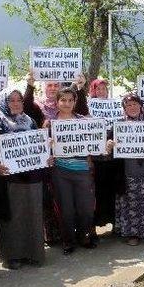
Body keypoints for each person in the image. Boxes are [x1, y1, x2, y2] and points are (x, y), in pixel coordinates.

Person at [0, 88, 46, 269]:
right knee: (12, 217)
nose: (15, 103)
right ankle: (12, 256)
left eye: (19, 100)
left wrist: (46, 155)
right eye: (11, 100)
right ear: (4, 102)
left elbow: (38, 146)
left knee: (33, 214)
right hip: (9, 179)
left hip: (32, 178)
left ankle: (33, 253)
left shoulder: (30, 121)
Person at [108, 93, 144, 246]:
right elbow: (107, 145)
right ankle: (132, 234)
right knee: (130, 202)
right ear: (124, 109)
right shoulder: (118, 125)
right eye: (128, 105)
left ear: (140, 106)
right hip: (128, 172)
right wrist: (110, 144)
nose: (132, 107)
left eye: (134, 104)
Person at [49, 88, 96, 253]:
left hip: (82, 170)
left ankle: (84, 236)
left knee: (86, 208)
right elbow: (42, 148)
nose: (67, 103)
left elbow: (95, 142)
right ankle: (68, 241)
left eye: (70, 100)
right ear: (57, 102)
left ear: (75, 102)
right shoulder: (50, 123)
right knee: (66, 209)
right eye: (63, 100)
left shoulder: (84, 120)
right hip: (60, 172)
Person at [23, 72, 62, 247]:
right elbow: (26, 107)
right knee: (47, 195)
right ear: (44, 87)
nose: (53, 88)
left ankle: (67, 231)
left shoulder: (66, 104)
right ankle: (51, 234)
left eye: (56, 85)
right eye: (49, 85)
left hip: (64, 156)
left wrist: (80, 87)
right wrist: (30, 85)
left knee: (63, 194)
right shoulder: (38, 105)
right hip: (44, 158)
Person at [89, 77, 119, 240]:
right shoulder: (88, 109)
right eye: (97, 89)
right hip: (96, 160)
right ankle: (94, 226)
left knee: (112, 191)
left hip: (113, 159)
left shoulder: (115, 108)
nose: (101, 92)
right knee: (96, 193)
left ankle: (115, 224)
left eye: (103, 89)